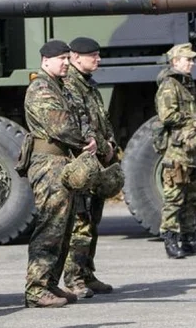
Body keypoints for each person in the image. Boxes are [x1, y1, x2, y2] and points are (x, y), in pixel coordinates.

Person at [22, 40, 97, 308]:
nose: (66, 63)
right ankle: (36, 288)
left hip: (64, 161)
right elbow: (61, 125)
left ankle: (51, 283)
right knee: (50, 226)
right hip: (48, 163)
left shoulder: (63, 88)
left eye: (68, 58)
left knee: (64, 227)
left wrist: (89, 136)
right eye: (62, 59)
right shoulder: (41, 88)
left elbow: (83, 117)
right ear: (46, 61)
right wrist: (82, 139)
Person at [62, 37, 116, 297]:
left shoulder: (88, 85)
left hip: (98, 162)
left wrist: (111, 144)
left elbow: (101, 122)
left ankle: (87, 273)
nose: (98, 59)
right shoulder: (70, 85)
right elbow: (80, 128)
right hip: (82, 163)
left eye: (98, 54)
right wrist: (102, 147)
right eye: (93, 55)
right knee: (80, 222)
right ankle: (74, 278)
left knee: (93, 220)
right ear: (75, 57)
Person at [154, 43, 196, 259]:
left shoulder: (187, 84)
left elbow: (195, 109)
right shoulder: (169, 85)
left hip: (193, 149)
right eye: (187, 59)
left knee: (192, 196)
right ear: (175, 62)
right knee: (174, 197)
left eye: (191, 59)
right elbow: (167, 116)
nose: (191, 63)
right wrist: (195, 120)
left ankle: (190, 238)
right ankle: (170, 240)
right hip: (177, 151)